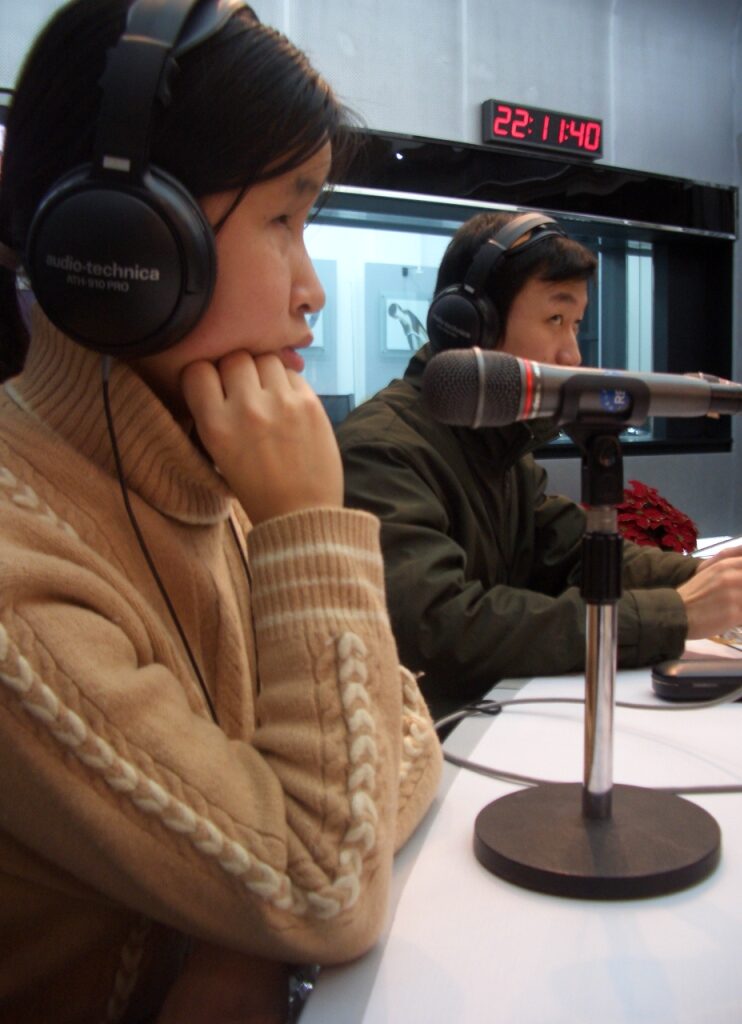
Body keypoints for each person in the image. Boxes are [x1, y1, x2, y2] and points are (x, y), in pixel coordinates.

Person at [0, 2, 442, 1022]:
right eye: (284, 218)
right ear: (127, 245)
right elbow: (326, 883)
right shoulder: (21, 567)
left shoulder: (204, 478)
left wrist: (242, 936)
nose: (313, 289)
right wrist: (305, 525)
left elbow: (396, 731)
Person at [337, 210, 742, 721]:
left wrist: (716, 580)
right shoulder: (382, 449)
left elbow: (577, 554)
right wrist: (677, 615)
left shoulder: (500, 448)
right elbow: (443, 629)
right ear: (468, 328)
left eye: (576, 325)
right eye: (555, 320)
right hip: (426, 754)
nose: (572, 354)